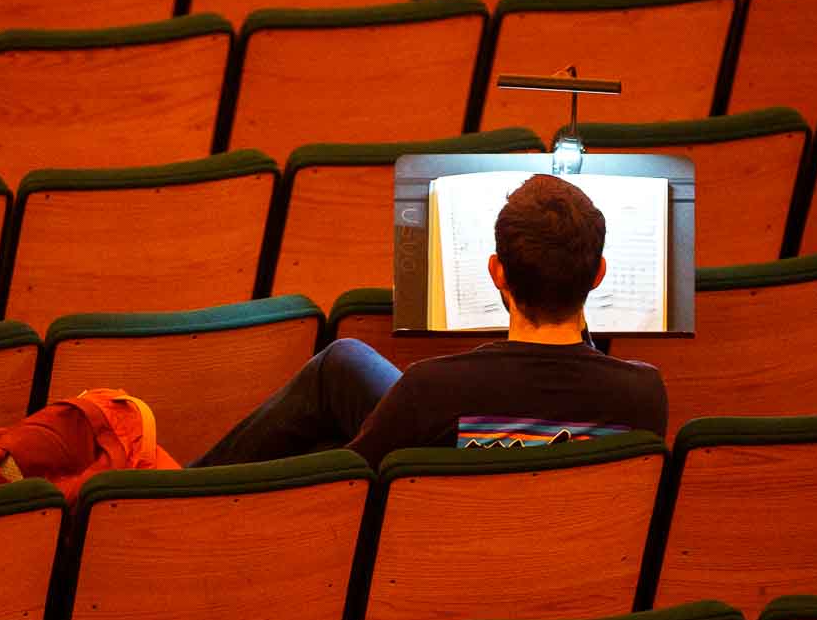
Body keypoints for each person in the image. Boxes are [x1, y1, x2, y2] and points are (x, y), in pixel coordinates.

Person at [193, 173, 667, 468]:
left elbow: (347, 484)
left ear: (497, 272)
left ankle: (182, 492)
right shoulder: (643, 397)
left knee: (326, 441)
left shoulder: (435, 390)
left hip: (454, 539)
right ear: (599, 273)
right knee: (346, 364)